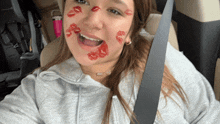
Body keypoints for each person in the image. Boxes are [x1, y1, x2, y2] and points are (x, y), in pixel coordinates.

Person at [0, 0, 220, 123]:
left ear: (131, 32)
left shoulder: (164, 59)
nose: (92, 21)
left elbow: (209, 114)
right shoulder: (39, 89)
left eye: (114, 10)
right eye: (82, 0)